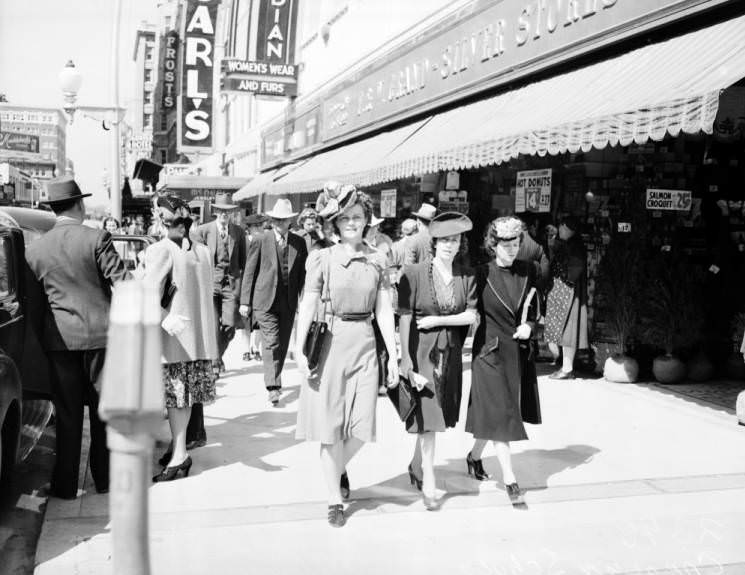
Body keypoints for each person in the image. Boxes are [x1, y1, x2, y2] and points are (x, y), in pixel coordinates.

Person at [295, 186, 399, 528]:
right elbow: (308, 304)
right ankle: (333, 499)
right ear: (335, 224)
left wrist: (394, 358)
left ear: (367, 220)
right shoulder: (322, 258)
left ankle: (336, 468)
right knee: (329, 429)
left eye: (358, 217)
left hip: (366, 342)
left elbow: (384, 310)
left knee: (361, 426)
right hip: (330, 344)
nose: (352, 223)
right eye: (345, 218)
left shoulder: (378, 258)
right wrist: (298, 348)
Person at [26, 176, 130, 498]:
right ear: (80, 205)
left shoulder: (36, 250)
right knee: (103, 413)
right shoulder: (97, 238)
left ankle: (66, 485)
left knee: (68, 415)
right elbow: (125, 284)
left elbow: (34, 305)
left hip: (60, 342)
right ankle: (104, 480)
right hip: (102, 339)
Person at [398, 212, 477, 510]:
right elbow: (404, 317)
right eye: (444, 240)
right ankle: (429, 476)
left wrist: (436, 321)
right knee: (429, 415)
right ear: (434, 242)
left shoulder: (466, 275)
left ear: (460, 244)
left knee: (437, 414)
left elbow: (471, 315)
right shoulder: (412, 273)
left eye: (454, 240)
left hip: (451, 352)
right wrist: (405, 360)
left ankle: (416, 465)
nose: (449, 245)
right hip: (421, 353)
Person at [465, 216, 542, 506]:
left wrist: (530, 327)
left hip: (515, 353)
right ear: (493, 244)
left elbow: (535, 308)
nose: (511, 249)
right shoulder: (480, 273)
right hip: (488, 352)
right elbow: (468, 310)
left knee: (501, 412)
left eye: (516, 243)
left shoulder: (529, 271)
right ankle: (510, 478)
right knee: (502, 413)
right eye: (505, 244)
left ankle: (473, 457)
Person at [143, 199, 219, 482]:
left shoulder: (160, 249)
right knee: (183, 398)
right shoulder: (202, 251)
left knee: (177, 399)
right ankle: (178, 450)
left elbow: (147, 295)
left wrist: (163, 318)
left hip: (174, 337)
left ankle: (179, 455)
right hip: (195, 337)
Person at [240, 198, 308, 405]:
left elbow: (303, 276)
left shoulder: (299, 242)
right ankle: (273, 386)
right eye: (276, 219)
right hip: (264, 300)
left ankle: (275, 379)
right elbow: (249, 272)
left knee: (283, 343)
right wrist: (245, 301)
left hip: (288, 302)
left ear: (290, 221)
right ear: (271, 220)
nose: (279, 223)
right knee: (271, 341)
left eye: (284, 219)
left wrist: (305, 300)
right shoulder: (261, 239)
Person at [191, 192, 247, 370]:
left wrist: (242, 287)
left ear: (232, 213)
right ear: (215, 211)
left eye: (227, 211)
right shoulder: (203, 231)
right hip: (210, 285)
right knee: (213, 326)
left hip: (230, 285)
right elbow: (196, 260)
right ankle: (214, 363)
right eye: (221, 211)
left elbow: (243, 262)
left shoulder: (238, 232)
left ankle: (216, 356)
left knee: (230, 327)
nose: (224, 214)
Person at [544, 216, 589, 379]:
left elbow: (574, 272)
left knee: (568, 331)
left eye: (561, 227)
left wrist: (563, 278)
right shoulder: (570, 244)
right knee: (563, 331)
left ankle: (567, 369)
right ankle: (565, 365)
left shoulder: (575, 246)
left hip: (569, 293)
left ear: (566, 227)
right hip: (563, 292)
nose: (559, 230)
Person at [242, 213, 266, 362]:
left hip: (260, 284)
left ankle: (255, 348)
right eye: (254, 226)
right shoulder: (243, 241)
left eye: (259, 225)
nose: (257, 228)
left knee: (258, 319)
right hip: (244, 283)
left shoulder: (265, 240)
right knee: (245, 319)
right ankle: (245, 349)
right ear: (249, 228)